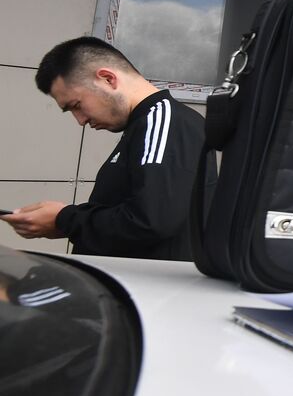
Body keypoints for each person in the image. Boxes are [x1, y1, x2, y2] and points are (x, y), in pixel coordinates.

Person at [2, 37, 212, 261]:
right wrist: (64, 222)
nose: (80, 120)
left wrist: (64, 219)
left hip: (147, 292)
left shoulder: (163, 121)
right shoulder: (145, 125)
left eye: (76, 105)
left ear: (108, 79)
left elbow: (151, 221)